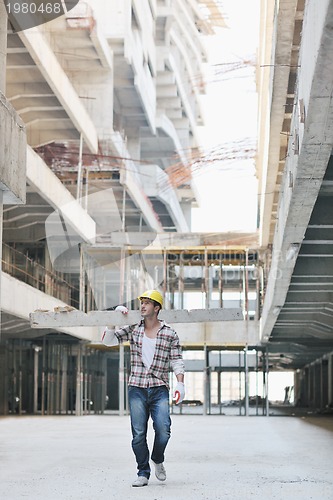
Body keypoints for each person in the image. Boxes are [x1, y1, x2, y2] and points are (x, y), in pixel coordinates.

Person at [102, 289, 185, 487]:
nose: (143, 306)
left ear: (156, 308)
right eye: (142, 302)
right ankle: (143, 472)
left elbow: (176, 360)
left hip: (159, 387)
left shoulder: (169, 333)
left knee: (163, 429)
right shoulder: (134, 329)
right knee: (138, 433)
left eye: (147, 303)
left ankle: (157, 458)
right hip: (137, 387)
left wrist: (180, 383)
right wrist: (114, 318)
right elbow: (108, 341)